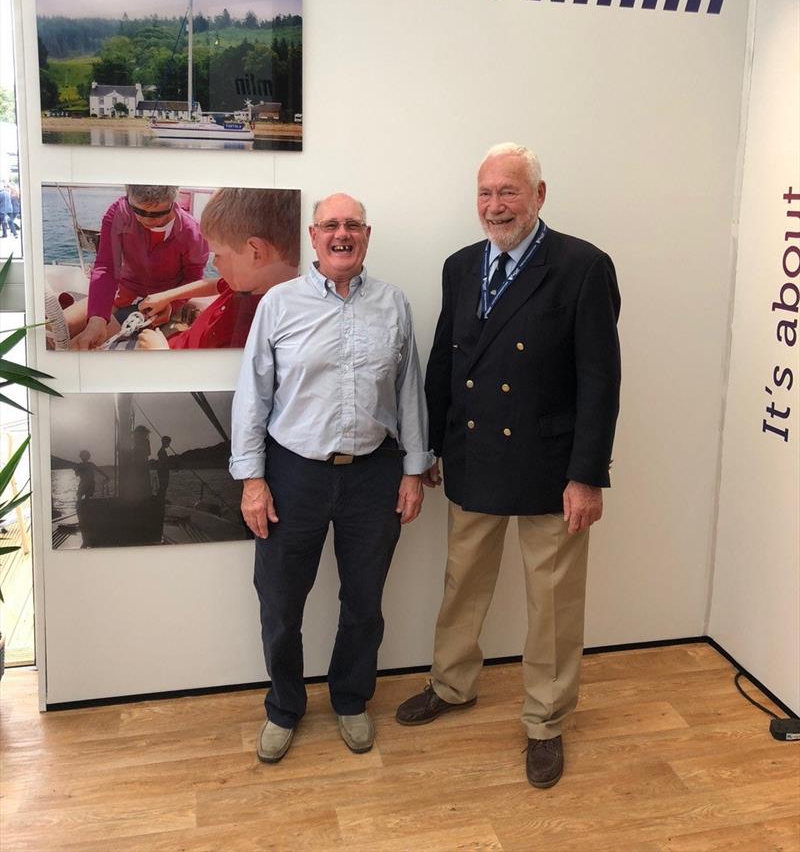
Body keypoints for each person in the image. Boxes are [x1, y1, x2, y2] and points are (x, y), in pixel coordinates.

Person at [395, 144, 621, 790]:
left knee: (551, 603)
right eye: (486, 193)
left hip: (554, 471)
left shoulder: (582, 267)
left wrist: (588, 475)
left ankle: (546, 721)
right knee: (461, 581)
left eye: (509, 192)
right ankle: (452, 684)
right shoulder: (460, 266)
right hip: (474, 456)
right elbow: (446, 360)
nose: (496, 206)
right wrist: (433, 444)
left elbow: (600, 381)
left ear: (539, 195)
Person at [230, 193, 433, 764]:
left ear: (366, 235)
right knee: (280, 602)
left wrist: (413, 469)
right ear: (313, 237)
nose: (342, 234)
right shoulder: (279, 303)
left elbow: (409, 392)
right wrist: (252, 480)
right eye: (330, 226)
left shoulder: (394, 304)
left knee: (364, 600)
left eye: (352, 225)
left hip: (374, 474)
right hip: (293, 474)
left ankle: (350, 698)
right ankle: (285, 707)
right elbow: (253, 396)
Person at [134, 188, 300, 350]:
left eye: (218, 254)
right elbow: (214, 285)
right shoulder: (247, 282)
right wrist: (166, 297)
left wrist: (161, 354)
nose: (214, 264)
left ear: (255, 253)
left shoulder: (252, 330)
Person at [67, 185, 209, 350]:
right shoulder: (119, 213)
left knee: (94, 348)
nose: (147, 220)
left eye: (157, 214)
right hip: (124, 290)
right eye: (138, 211)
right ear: (128, 198)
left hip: (166, 299)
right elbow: (107, 266)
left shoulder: (193, 232)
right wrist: (97, 318)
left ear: (173, 201)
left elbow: (193, 277)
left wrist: (172, 304)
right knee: (59, 328)